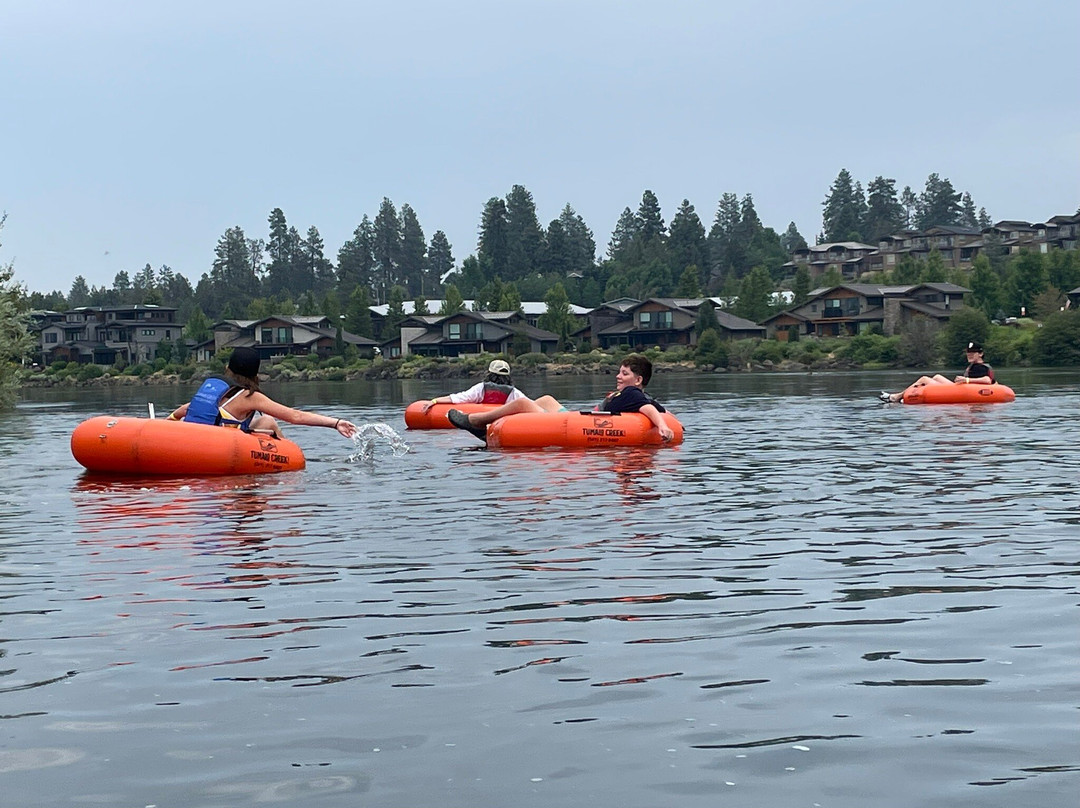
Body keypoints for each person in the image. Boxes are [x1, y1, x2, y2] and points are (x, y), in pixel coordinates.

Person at [447, 353, 675, 442]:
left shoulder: (632, 393)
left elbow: (648, 408)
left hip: (574, 425)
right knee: (546, 399)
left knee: (523, 403)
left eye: (624, 374)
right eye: (619, 372)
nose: (618, 376)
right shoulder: (633, 393)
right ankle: (498, 426)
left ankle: (477, 422)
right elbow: (654, 406)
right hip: (576, 418)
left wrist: (663, 426)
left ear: (638, 379)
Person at [167, 346, 358, 439]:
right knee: (269, 421)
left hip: (191, 437)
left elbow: (184, 409)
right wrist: (335, 423)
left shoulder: (214, 389)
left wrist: (167, 422)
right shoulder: (250, 396)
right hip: (216, 445)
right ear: (255, 374)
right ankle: (286, 455)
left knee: (266, 421)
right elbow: (295, 416)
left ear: (227, 368)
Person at [879, 341, 996, 403]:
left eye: (973, 353)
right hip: (962, 389)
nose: (969, 355)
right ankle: (906, 396)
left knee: (924, 379)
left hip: (964, 390)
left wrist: (966, 380)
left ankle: (897, 396)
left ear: (980, 354)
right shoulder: (975, 366)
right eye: (968, 353)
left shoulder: (981, 367)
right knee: (937, 376)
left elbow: (987, 380)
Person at [420, 359, 526, 413]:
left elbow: (459, 398)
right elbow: (528, 404)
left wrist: (435, 401)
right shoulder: (514, 392)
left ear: (490, 373)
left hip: (481, 417)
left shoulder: (481, 388)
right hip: (503, 419)